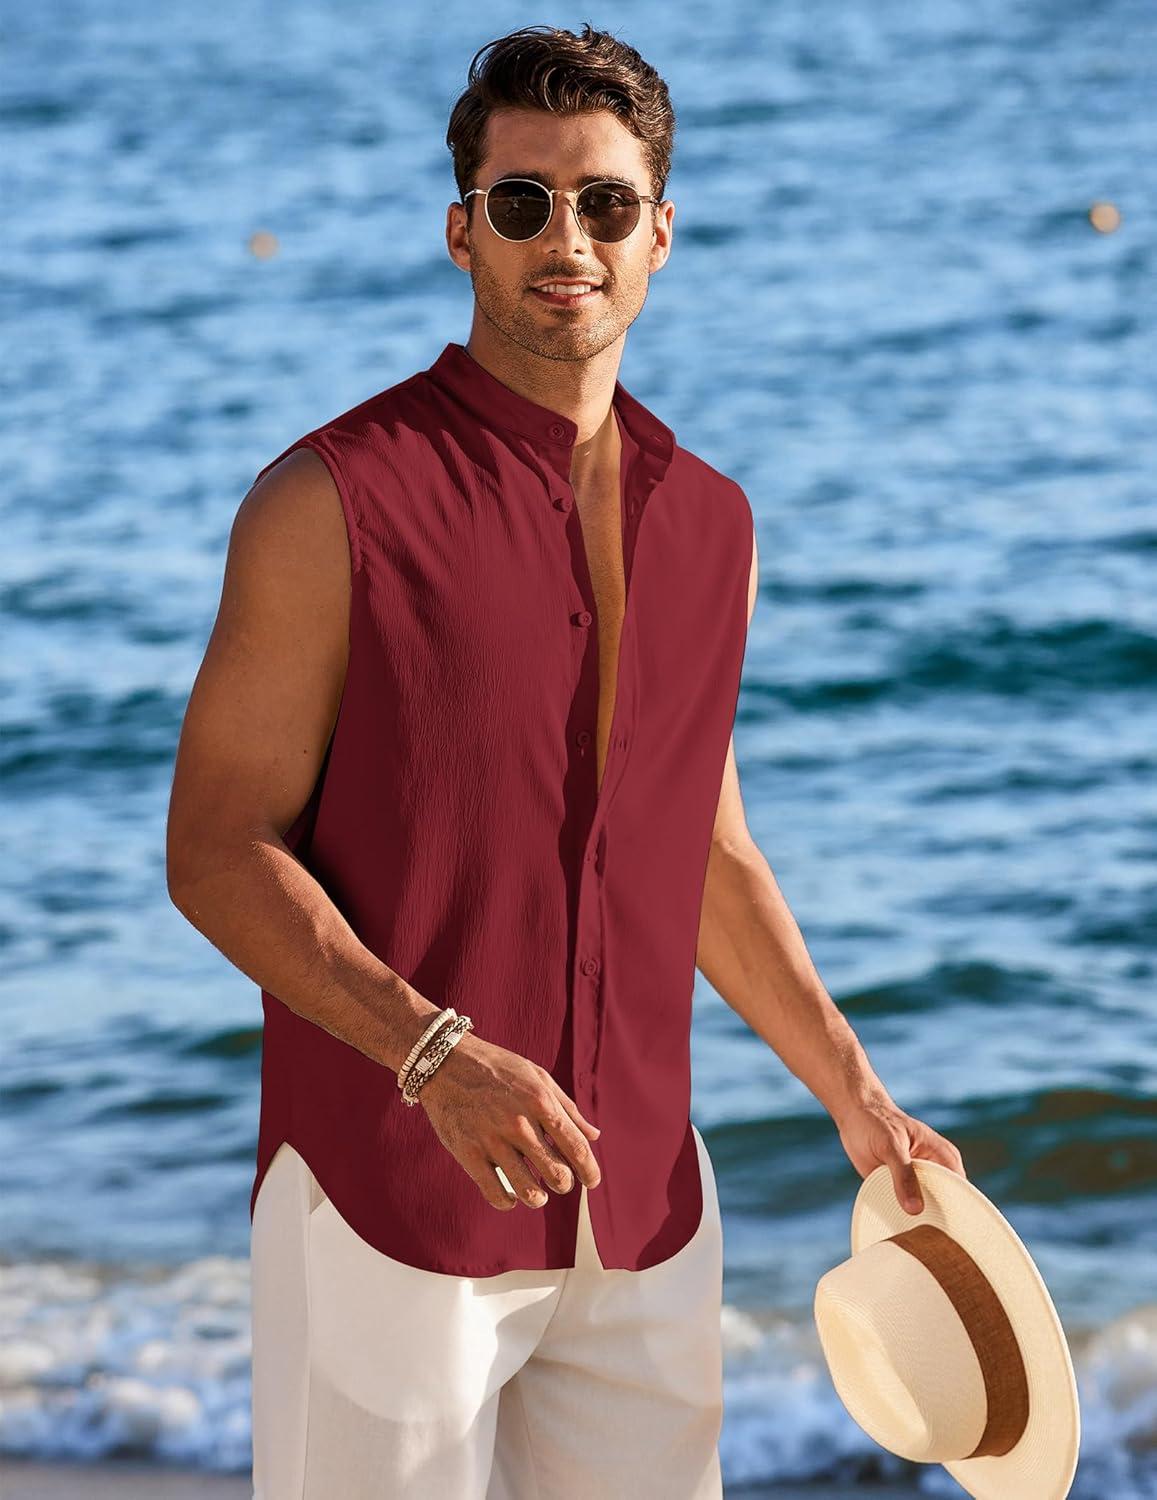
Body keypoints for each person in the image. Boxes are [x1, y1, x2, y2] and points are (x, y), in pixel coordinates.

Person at [166, 22, 967, 1499]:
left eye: (604, 202)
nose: (567, 239)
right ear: (462, 230)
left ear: (659, 232)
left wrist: (854, 1095)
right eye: (525, 200)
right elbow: (216, 850)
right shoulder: (327, 503)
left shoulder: (712, 524)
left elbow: (704, 852)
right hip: (388, 1209)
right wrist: (435, 1057)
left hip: (644, 1215)